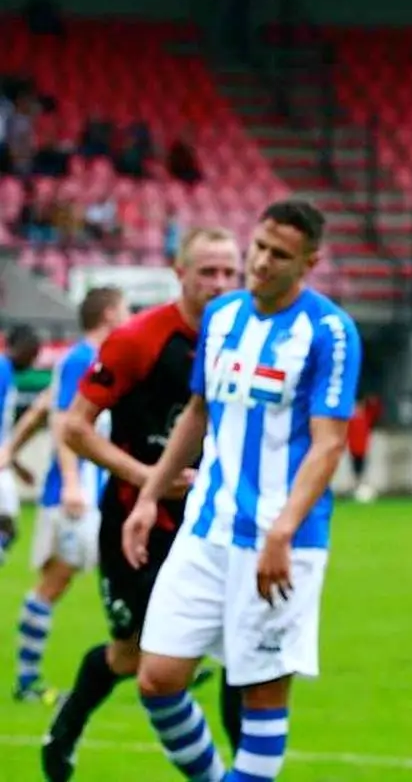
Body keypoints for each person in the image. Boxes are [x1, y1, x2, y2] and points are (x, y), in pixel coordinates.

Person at [123, 199, 362, 781]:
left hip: (280, 541)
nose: (260, 262)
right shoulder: (222, 316)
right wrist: (151, 495)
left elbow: (329, 444)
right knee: (157, 679)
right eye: (258, 247)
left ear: (309, 263)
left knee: (261, 699)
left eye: (279, 254)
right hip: (207, 528)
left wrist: (283, 531)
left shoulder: (329, 331)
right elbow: (197, 412)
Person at [40, 227, 243, 781]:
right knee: (132, 657)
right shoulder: (138, 339)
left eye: (229, 272)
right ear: (180, 273)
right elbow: (75, 427)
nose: (220, 283)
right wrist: (147, 478)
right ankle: (66, 727)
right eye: (208, 272)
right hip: (137, 521)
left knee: (242, 652)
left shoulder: (248, 342)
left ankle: (244, 772)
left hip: (215, 523)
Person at [14, 289, 128, 704]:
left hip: (96, 494)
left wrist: (11, 451)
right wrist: (71, 482)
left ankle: (160, 663)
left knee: (129, 572)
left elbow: (42, 408)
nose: (129, 315)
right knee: (55, 582)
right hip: (74, 496)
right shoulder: (81, 358)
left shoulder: (95, 360)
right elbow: (62, 420)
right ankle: (26, 680)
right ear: (109, 313)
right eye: (124, 308)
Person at [0, 324, 43, 564]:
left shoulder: (7, 374)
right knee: (7, 524)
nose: (34, 361)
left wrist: (16, 466)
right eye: (33, 353)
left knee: (8, 526)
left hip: (4, 462)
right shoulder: (2, 371)